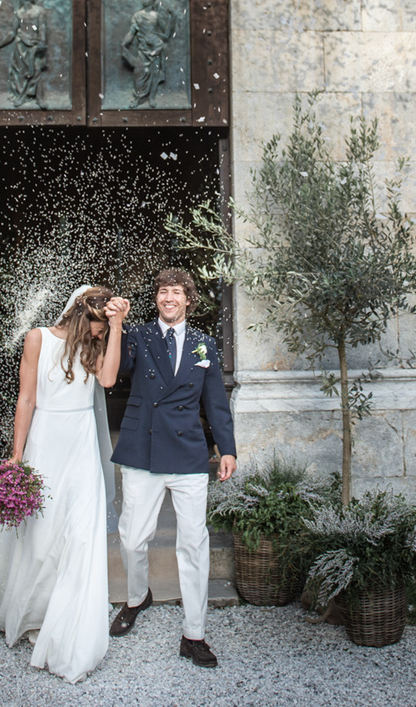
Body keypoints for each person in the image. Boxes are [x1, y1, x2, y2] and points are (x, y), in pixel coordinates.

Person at [0, 286, 130, 683]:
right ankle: (34, 614)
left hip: (81, 450)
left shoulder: (96, 346)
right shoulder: (37, 338)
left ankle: (70, 624)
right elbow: (26, 399)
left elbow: (108, 379)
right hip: (45, 442)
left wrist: (117, 326)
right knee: (39, 537)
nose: (98, 335)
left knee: (80, 536)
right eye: (96, 327)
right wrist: (16, 455)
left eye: (102, 331)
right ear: (79, 316)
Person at [108, 269, 237, 668]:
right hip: (142, 450)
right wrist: (115, 323)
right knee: (132, 538)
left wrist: (227, 449)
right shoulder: (138, 337)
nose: (169, 298)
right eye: (163, 291)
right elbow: (113, 372)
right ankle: (136, 597)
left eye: (176, 292)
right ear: (157, 299)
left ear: (188, 300)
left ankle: (194, 634)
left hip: (187, 454)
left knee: (194, 543)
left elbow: (216, 401)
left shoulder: (205, 345)